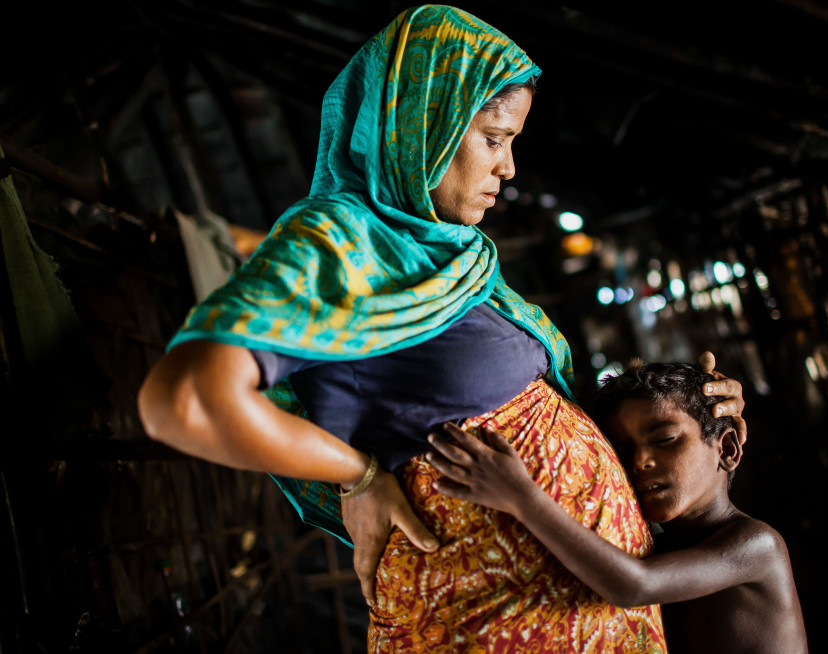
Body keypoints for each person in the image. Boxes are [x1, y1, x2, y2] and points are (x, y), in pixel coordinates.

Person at [138, 5, 747, 651]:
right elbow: (185, 401)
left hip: (577, 614)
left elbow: (516, 408)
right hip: (478, 621)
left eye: (512, 141)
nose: (507, 168)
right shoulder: (335, 243)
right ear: (419, 124)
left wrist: (694, 411)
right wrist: (358, 475)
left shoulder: (457, 260)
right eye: (492, 137)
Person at [427, 360, 807, 654]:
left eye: (665, 439)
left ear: (726, 449)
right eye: (622, 453)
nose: (640, 461)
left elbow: (635, 586)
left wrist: (521, 497)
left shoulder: (757, 545)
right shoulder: (646, 541)